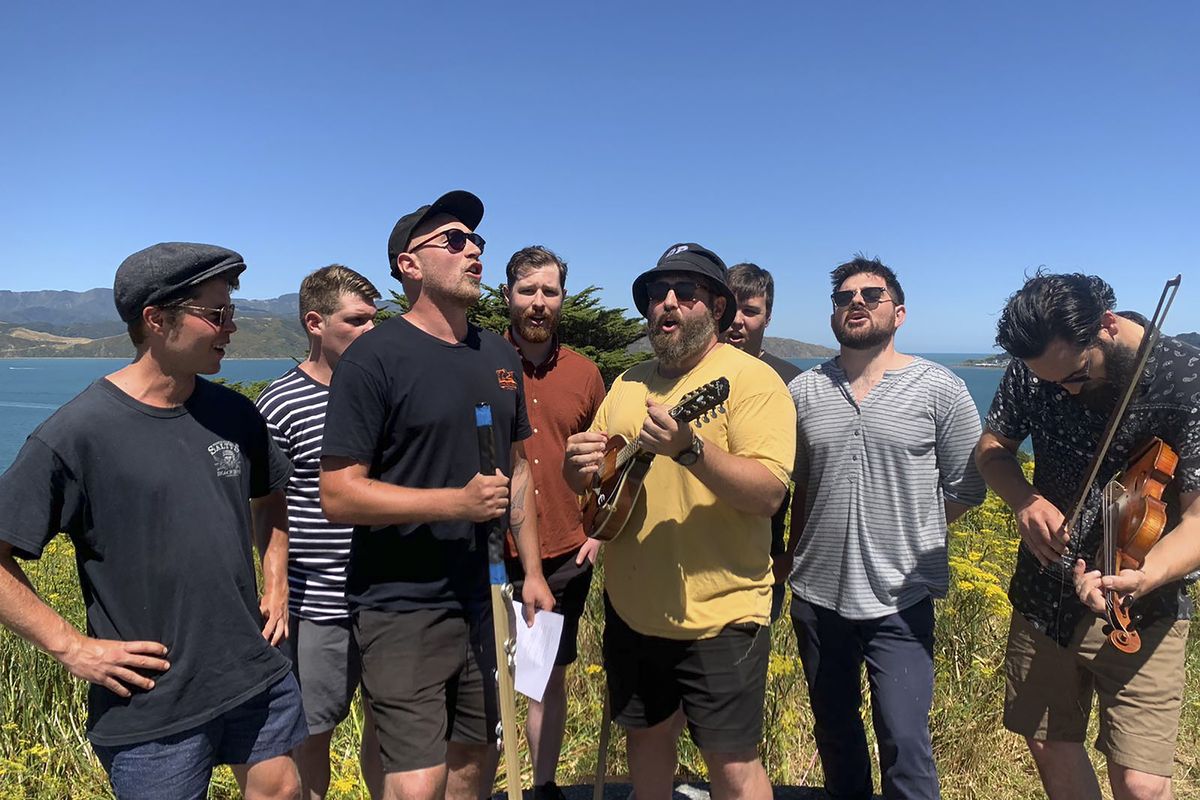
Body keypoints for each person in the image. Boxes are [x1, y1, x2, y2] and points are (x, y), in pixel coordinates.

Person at [0, 242, 304, 800]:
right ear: (157, 320)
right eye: (217, 314)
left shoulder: (234, 413)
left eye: (232, 312)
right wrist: (72, 647)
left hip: (249, 665)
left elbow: (271, 494)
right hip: (150, 695)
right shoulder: (77, 433)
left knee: (283, 788)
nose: (231, 327)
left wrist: (277, 580)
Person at [318, 191, 554, 800]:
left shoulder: (499, 355)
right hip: (401, 603)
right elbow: (339, 494)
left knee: (476, 758)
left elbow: (519, 469)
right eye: (454, 240)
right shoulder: (375, 358)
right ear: (409, 264)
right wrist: (453, 503)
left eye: (477, 241)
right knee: (416, 780)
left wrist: (532, 570)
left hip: (486, 594)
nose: (474, 250)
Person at [564, 243, 795, 800]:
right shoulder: (628, 382)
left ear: (717, 307)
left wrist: (691, 449)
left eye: (685, 293)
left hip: (721, 613)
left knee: (734, 764)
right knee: (644, 743)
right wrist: (579, 470)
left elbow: (768, 493)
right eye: (657, 294)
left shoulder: (751, 381)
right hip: (632, 608)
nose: (667, 304)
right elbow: (593, 488)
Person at [975, 272, 1200, 800]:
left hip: (1144, 602)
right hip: (1043, 592)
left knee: (1142, 783)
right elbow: (992, 450)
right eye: (1051, 382)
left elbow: (1197, 520)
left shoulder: (1186, 378)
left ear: (1106, 325)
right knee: (1051, 745)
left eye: (1076, 375)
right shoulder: (1035, 370)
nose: (1063, 391)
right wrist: (1024, 500)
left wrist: (1141, 576)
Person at [785, 256, 985, 800]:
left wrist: (919, 531)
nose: (855, 302)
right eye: (844, 296)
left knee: (905, 739)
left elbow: (969, 485)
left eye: (871, 295)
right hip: (817, 596)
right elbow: (799, 486)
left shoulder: (939, 388)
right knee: (834, 731)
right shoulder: (804, 392)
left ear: (898, 313)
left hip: (902, 598)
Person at [256, 265, 385, 800]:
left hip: (389, 595)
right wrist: (275, 584)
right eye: (356, 321)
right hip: (317, 601)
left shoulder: (386, 391)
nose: (371, 331)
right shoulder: (279, 403)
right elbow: (265, 505)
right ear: (315, 322)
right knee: (312, 732)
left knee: (393, 730)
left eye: (375, 320)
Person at [500, 246, 606, 800]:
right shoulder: (480, 364)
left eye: (549, 291)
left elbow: (606, 464)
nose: (539, 303)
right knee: (481, 680)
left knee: (546, 678)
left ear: (561, 299)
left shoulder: (586, 375)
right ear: (507, 296)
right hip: (492, 554)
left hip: (565, 549)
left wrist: (596, 533)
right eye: (528, 290)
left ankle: (541, 786)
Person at [721, 262, 804, 621]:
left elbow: (807, 481)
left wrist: (790, 557)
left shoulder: (791, 382)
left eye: (751, 311)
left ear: (767, 318)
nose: (738, 320)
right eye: (731, 307)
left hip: (760, 557)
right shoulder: (688, 370)